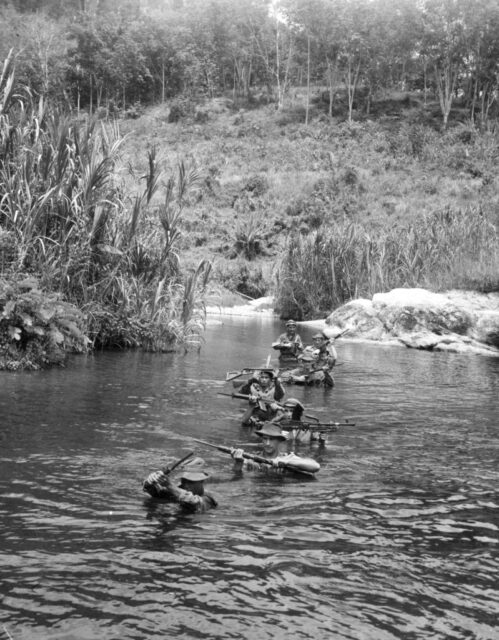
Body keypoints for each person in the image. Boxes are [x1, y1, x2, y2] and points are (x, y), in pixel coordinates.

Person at [230, 421, 316, 475]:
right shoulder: (252, 459)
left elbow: (315, 467)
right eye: (265, 439)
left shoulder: (288, 457)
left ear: (279, 440)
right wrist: (238, 462)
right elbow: (236, 476)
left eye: (272, 439)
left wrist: (287, 462)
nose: (267, 443)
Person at [143, 458, 217, 512]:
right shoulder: (178, 489)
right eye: (184, 481)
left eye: (191, 482)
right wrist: (151, 481)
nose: (186, 485)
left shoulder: (209, 499)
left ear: (202, 480)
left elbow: (194, 503)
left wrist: (170, 486)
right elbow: (155, 492)